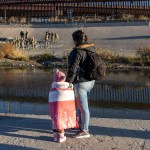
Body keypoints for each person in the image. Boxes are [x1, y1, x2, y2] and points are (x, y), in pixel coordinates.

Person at [66, 29, 98, 138]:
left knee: (83, 107)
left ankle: (85, 131)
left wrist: (68, 82)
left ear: (75, 40)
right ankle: (81, 126)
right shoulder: (91, 49)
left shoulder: (77, 51)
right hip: (91, 81)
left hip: (81, 83)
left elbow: (73, 69)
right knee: (81, 106)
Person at [48, 69, 78, 143]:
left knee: (55, 122)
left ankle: (55, 137)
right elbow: (70, 98)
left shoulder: (53, 88)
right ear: (64, 79)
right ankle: (61, 137)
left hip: (54, 109)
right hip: (63, 109)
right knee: (61, 122)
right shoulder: (68, 88)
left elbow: (50, 99)